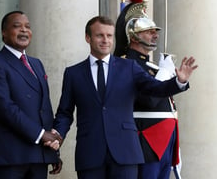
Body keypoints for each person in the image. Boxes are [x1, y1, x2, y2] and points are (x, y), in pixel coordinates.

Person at [52, 15, 197, 179]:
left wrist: (179, 81)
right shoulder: (73, 73)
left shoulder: (129, 67)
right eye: (100, 35)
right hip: (90, 153)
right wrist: (57, 135)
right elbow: (65, 112)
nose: (105, 40)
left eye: (109, 36)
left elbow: (155, 89)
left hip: (125, 153)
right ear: (88, 38)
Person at [0, 10, 63, 179]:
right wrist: (41, 135)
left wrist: (53, 150)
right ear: (4, 32)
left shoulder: (37, 64)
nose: (24, 30)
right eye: (17, 26)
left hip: (38, 155)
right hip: (9, 157)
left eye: (28, 27)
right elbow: (4, 108)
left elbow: (43, 109)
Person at [114, 0, 182, 179]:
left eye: (154, 31)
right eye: (148, 31)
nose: (155, 35)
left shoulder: (150, 65)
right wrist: (165, 73)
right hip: (147, 139)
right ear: (133, 36)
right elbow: (148, 100)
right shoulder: (127, 64)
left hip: (164, 138)